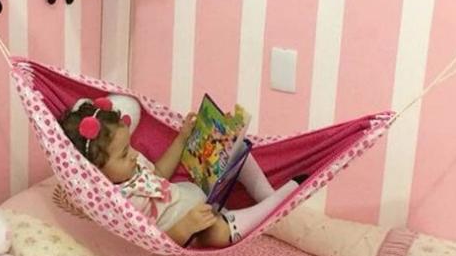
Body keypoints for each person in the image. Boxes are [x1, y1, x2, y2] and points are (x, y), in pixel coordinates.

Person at [59, 97, 298, 247]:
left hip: (198, 196)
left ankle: (266, 194)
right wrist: (187, 226)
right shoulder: (122, 203)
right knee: (217, 233)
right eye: (123, 154)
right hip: (195, 228)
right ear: (94, 171)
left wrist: (182, 138)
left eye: (129, 147)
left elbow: (159, 173)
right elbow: (156, 242)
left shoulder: (133, 165)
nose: (133, 154)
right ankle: (276, 204)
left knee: (236, 150)